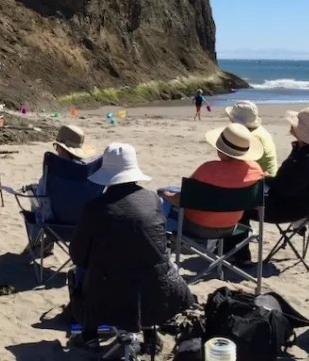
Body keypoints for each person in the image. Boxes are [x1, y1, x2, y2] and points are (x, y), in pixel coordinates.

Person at [69, 143, 194, 353]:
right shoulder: (153, 199)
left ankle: (90, 335)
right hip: (155, 290)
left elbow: (78, 255)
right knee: (149, 263)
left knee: (80, 271)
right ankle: (150, 335)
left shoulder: (94, 208)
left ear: (107, 175)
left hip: (107, 290)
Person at [225, 107, 309, 266]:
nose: (291, 126)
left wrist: (267, 180)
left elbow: (287, 189)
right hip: (298, 203)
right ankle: (233, 251)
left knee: (238, 205)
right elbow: (287, 183)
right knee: (241, 196)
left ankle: (240, 256)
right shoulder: (304, 151)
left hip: (292, 208)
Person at [160, 123, 265, 236]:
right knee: (173, 189)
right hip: (230, 227)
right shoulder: (255, 170)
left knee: (162, 198)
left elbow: (181, 199)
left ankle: (160, 242)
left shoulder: (208, 170)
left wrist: (165, 194)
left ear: (221, 150)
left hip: (195, 226)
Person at [37, 125, 96, 221]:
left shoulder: (54, 169)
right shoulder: (89, 171)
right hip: (84, 222)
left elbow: (40, 195)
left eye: (57, 147)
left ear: (61, 148)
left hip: (53, 222)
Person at [225, 101, 278, 175]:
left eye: (232, 119)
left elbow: (239, 164)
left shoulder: (249, 138)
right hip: (269, 176)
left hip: (264, 180)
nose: (230, 121)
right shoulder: (259, 130)